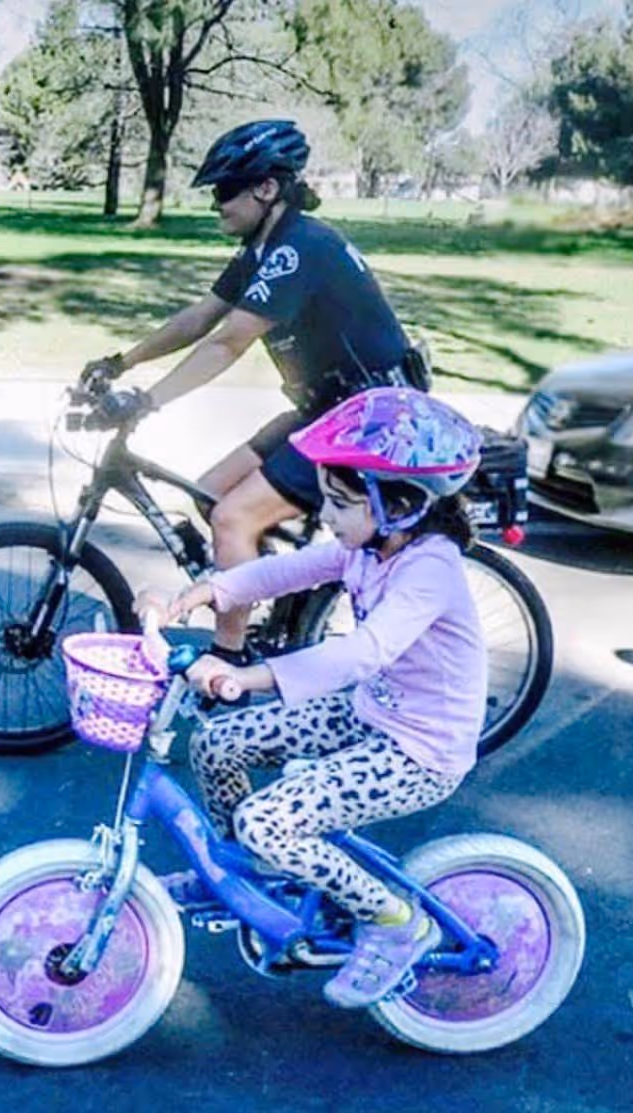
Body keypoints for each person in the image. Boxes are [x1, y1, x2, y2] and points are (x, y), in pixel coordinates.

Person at [139, 388, 486, 1008]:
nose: (327, 513)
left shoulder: (429, 569)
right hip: (373, 712)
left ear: (398, 505)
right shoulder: (366, 548)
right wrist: (208, 593)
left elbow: (362, 653)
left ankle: (395, 922)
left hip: (420, 750)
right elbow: (285, 571)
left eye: (341, 502)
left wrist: (249, 677)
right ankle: (239, 872)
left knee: (267, 820)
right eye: (327, 498)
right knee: (219, 743)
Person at [84, 119, 426, 670]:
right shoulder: (264, 249)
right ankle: (271, 597)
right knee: (211, 493)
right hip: (329, 410)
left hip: (371, 416)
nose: (214, 203)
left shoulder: (299, 248)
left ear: (266, 188)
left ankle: (231, 657)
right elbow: (201, 318)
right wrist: (121, 362)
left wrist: (145, 401)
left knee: (232, 519)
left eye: (224, 190)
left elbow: (229, 343)